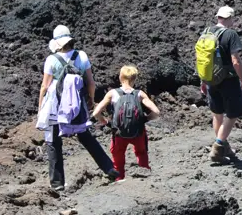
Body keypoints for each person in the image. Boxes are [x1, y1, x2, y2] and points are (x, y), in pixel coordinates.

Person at [36, 25, 119, 191]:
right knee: (85, 136)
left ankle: (57, 183)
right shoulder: (81, 56)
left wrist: (40, 108)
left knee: (53, 141)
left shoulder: (52, 60)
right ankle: (109, 169)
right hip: (77, 104)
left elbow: (45, 87)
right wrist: (90, 100)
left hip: (56, 106)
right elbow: (91, 82)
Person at [91, 66, 160, 183]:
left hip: (118, 132)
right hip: (138, 132)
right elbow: (157, 112)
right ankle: (144, 176)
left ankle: (119, 178)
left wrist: (106, 122)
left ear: (120, 77)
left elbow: (96, 113)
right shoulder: (140, 94)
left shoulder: (112, 93)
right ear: (135, 79)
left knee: (118, 155)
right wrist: (145, 119)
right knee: (142, 153)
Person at [202, 6, 242, 163]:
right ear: (229, 18)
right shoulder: (230, 34)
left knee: (217, 113)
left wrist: (202, 80)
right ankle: (218, 146)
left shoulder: (206, 32)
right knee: (234, 113)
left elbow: (203, 59)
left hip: (210, 79)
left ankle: (224, 147)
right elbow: (235, 60)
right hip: (227, 80)